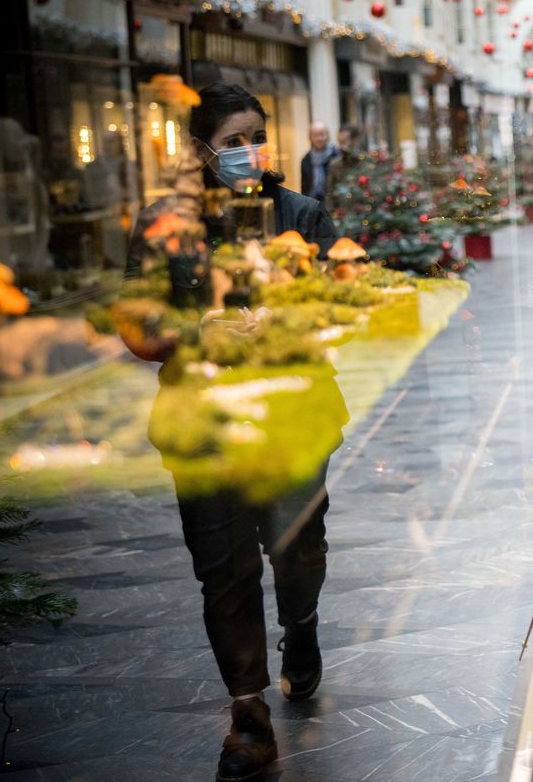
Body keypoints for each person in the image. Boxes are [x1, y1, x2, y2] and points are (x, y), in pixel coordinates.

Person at [124, 84, 342, 782]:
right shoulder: (163, 225)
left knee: (297, 548)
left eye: (257, 137)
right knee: (224, 569)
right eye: (233, 141)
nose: (249, 151)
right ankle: (248, 714)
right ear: (201, 150)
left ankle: (300, 627)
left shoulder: (300, 214)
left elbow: (343, 304)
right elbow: (137, 324)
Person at [299, 122, 341, 206]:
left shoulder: (336, 155)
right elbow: (305, 188)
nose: (319, 138)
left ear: (328, 136)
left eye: (322, 134)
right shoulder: (306, 160)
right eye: (315, 135)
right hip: (313, 203)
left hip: (334, 203)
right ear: (310, 138)